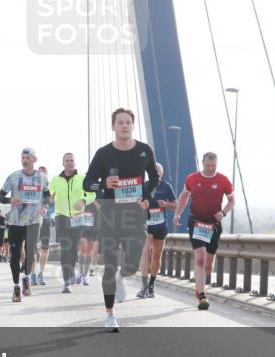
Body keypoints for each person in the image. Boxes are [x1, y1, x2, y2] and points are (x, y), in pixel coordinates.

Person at [83, 108, 158, 331]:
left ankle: (121, 276)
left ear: (132, 126)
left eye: (128, 122)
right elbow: (87, 183)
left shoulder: (144, 150)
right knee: (108, 265)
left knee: (133, 264)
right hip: (109, 215)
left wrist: (146, 197)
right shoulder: (104, 153)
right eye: (120, 122)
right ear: (113, 126)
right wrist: (103, 184)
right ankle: (110, 314)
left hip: (135, 215)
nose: (124, 125)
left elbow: (154, 177)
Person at [173, 152, 235, 310]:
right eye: (207, 166)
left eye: (213, 166)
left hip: (213, 225)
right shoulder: (192, 178)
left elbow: (232, 200)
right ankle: (202, 296)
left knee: (208, 265)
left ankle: (199, 286)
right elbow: (184, 195)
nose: (210, 169)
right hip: (196, 223)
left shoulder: (223, 180)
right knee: (199, 259)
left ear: (217, 164)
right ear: (202, 163)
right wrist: (177, 214)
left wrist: (224, 213)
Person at [0, 147, 50, 302]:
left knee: (31, 251)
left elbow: (47, 195)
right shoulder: (13, 177)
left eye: (28, 157)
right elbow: (0, 196)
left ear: (34, 159)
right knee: (14, 254)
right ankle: (16, 286)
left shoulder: (42, 177)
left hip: (34, 221)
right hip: (15, 221)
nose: (25, 159)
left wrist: (44, 207)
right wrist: (9, 200)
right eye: (23, 157)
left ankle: (26, 277)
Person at [48, 152, 95, 293]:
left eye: (71, 160)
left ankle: (72, 271)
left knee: (74, 248)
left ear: (75, 163)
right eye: (67, 160)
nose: (69, 162)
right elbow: (48, 195)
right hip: (61, 216)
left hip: (77, 217)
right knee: (65, 247)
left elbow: (93, 195)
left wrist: (84, 201)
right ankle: (67, 280)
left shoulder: (83, 178)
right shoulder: (55, 180)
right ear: (63, 163)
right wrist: (47, 201)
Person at [137, 162, 177, 299]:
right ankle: (143, 286)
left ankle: (151, 284)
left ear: (162, 174)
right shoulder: (144, 186)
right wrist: (141, 205)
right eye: (154, 172)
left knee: (156, 256)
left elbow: (175, 205)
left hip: (161, 225)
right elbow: (135, 204)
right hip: (146, 224)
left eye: (159, 172)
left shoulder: (166, 187)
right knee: (145, 252)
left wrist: (165, 204)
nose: (156, 174)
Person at [34, 165, 52, 286]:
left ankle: (41, 273)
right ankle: (33, 274)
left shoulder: (51, 189)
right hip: (33, 221)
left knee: (45, 248)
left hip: (46, 221)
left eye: (44, 174)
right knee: (33, 249)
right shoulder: (32, 188)